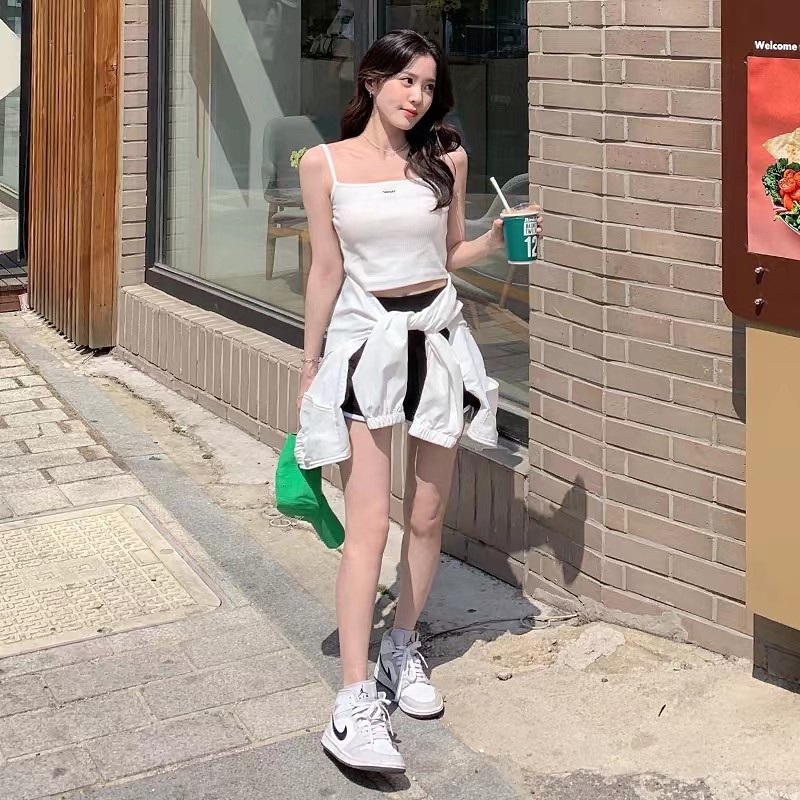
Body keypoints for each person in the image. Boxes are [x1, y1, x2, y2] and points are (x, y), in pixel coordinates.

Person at [294, 29, 543, 775]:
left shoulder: (446, 157)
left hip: (436, 338)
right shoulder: (323, 163)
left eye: (429, 86)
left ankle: (402, 645)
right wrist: (309, 364)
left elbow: (448, 255)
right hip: (366, 346)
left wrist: (495, 239)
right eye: (406, 80)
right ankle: (352, 701)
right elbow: (326, 270)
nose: (418, 96)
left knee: (429, 514)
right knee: (369, 525)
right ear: (372, 81)